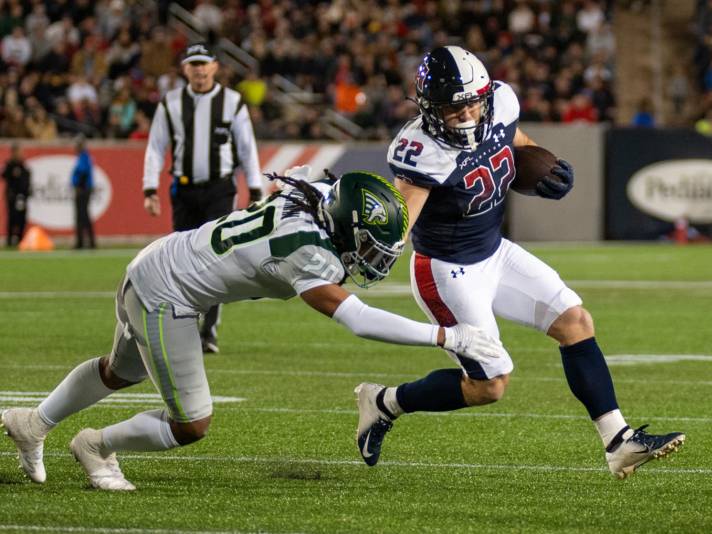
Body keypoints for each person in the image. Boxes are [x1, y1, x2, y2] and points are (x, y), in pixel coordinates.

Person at [0, 170, 506, 491]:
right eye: (370, 247)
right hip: (166, 293)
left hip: (157, 263)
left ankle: (33, 423)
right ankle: (95, 446)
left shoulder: (322, 194)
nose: (374, 261)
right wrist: (447, 337)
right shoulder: (308, 253)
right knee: (191, 422)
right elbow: (356, 318)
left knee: (117, 372)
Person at [354, 46, 685, 479]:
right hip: (447, 269)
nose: (469, 114)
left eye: (474, 101)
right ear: (430, 107)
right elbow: (405, 216)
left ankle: (618, 442)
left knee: (575, 320)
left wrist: (540, 170)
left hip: (495, 249)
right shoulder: (420, 150)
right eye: (455, 106)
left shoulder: (502, 105)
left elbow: (517, 143)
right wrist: (377, 246)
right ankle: (384, 403)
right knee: (490, 385)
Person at [142, 42, 263, 354]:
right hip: (183, 189)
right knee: (180, 260)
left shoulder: (232, 102)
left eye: (203, 63)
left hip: (220, 189)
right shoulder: (170, 103)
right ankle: (182, 327)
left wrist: (256, 188)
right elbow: (156, 146)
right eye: (192, 64)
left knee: (214, 259)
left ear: (214, 67)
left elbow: (247, 147)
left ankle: (208, 330)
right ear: (185, 69)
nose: (198, 69)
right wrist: (149, 188)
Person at [2, 143, 31, 247]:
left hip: (22, 196)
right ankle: (10, 240)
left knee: (21, 218)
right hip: (12, 196)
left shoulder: (23, 165)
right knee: (12, 218)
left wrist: (26, 193)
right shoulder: (9, 165)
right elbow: (4, 175)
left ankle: (20, 239)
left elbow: (26, 179)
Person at [71, 136, 96, 249]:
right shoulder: (84, 157)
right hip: (84, 189)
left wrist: (79, 187)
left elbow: (83, 172)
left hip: (83, 190)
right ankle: (87, 241)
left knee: (82, 216)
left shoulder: (84, 157)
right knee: (83, 216)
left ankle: (83, 242)